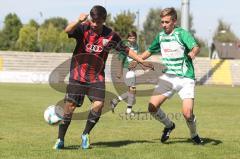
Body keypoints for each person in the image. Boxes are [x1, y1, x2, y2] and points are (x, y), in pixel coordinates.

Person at [53, 5, 153, 150]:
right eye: (92, 21)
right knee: (70, 108)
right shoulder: (83, 28)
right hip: (78, 74)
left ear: (103, 20)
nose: (94, 24)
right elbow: (67, 30)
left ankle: (85, 135)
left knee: (99, 104)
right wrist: (78, 21)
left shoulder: (110, 35)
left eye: (97, 22)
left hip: (96, 76)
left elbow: (126, 49)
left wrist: (140, 60)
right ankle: (60, 139)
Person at [139, 7, 203, 144]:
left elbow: (195, 46)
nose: (164, 25)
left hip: (185, 78)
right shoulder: (161, 36)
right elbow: (149, 51)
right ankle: (169, 125)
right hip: (168, 77)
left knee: (187, 113)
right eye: (162, 22)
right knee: (152, 107)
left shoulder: (181, 34)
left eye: (167, 22)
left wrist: (193, 53)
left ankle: (194, 135)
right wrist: (137, 60)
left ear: (174, 21)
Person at [110, 31, 140, 115]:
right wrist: (119, 72)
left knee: (132, 90)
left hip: (132, 70)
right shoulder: (125, 46)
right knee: (132, 89)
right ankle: (128, 111)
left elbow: (136, 57)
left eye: (133, 38)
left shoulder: (137, 46)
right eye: (130, 38)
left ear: (136, 38)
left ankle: (115, 101)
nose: (132, 39)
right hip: (126, 69)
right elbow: (121, 59)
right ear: (127, 38)